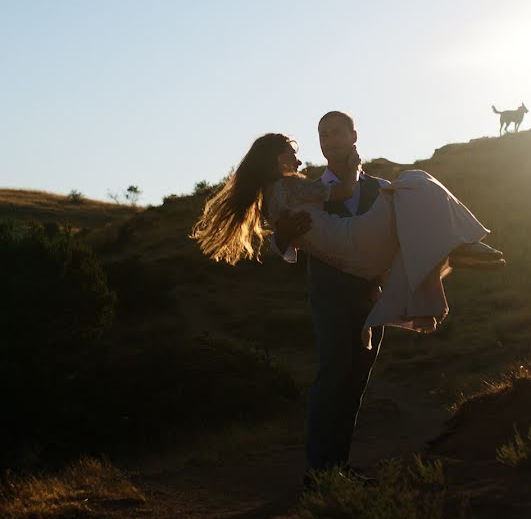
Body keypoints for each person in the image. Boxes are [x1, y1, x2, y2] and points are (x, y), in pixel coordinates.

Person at [191, 112, 504, 477]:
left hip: (369, 287)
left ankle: (336, 467)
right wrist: (283, 237)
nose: (327, 140)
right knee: (334, 378)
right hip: (333, 294)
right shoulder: (303, 186)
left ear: (353, 135)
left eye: (335, 132)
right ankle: (321, 468)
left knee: (355, 383)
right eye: (322, 134)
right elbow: (282, 241)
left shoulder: (375, 186)